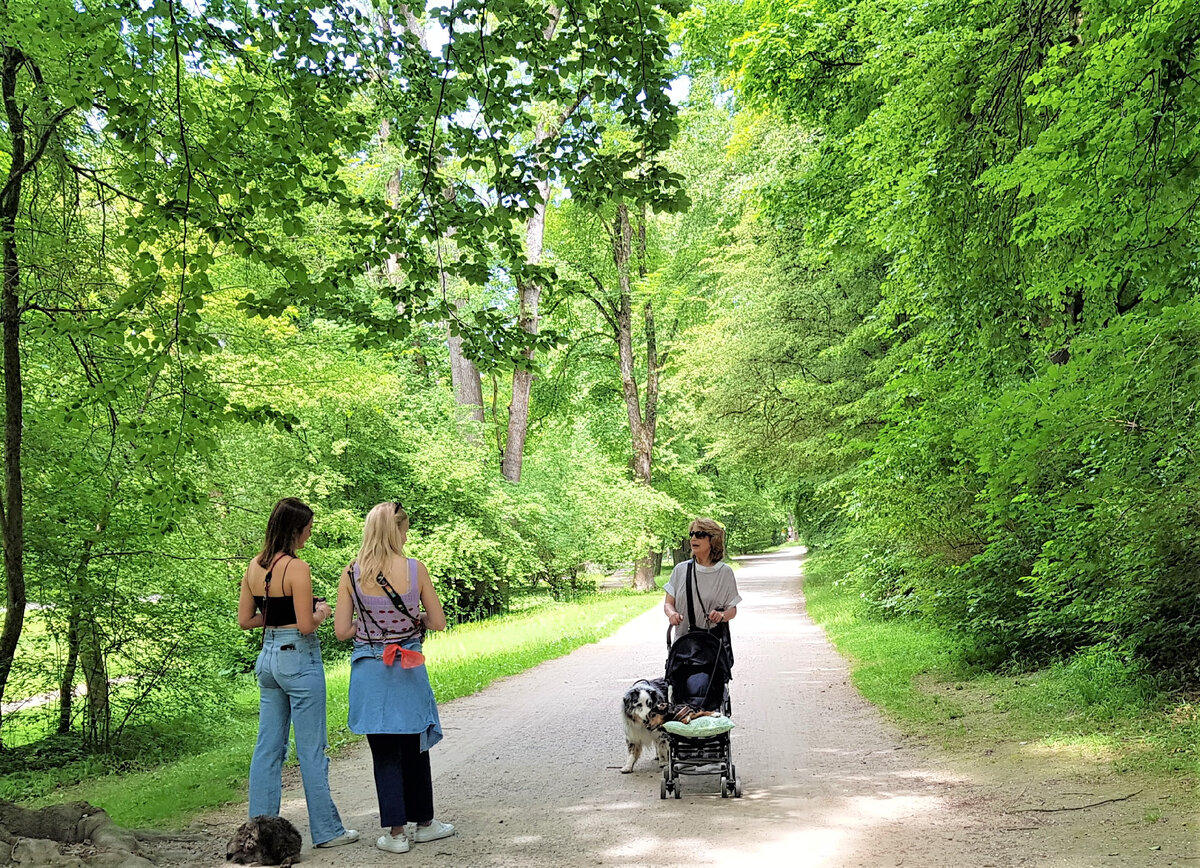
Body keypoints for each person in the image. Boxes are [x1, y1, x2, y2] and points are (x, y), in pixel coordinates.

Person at [238, 498, 359, 850]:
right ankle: (327, 830)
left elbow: (246, 620)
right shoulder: (297, 568)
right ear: (294, 530)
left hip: (268, 659)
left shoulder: (253, 567)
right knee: (311, 749)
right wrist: (319, 612)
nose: (309, 534)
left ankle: (257, 836)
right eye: (307, 528)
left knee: (268, 748)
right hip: (299, 659)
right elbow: (307, 626)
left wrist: (275, 617)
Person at [335, 502, 455, 855]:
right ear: (396, 531)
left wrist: (370, 625)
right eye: (404, 530)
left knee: (384, 753)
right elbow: (438, 621)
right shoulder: (416, 570)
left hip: (371, 673)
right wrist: (408, 620)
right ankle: (426, 823)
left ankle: (396, 833)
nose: (406, 536)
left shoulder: (351, 574)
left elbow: (342, 631)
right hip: (408, 668)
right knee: (414, 746)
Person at [663, 518, 741, 704]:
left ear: (712, 539)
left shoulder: (724, 573)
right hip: (683, 645)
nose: (693, 538)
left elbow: (733, 610)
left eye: (699, 534)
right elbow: (668, 603)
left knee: (710, 693)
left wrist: (721, 616)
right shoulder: (680, 570)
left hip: (712, 645)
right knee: (680, 693)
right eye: (692, 534)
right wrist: (671, 614)